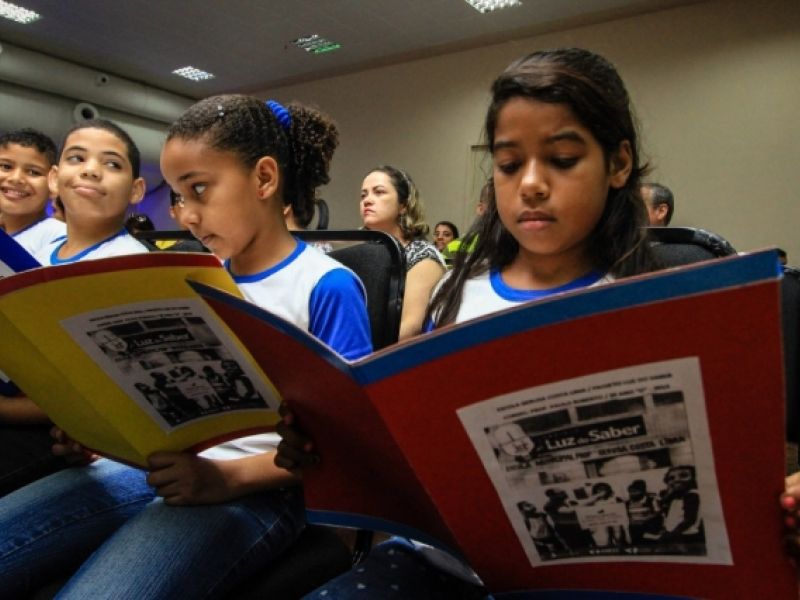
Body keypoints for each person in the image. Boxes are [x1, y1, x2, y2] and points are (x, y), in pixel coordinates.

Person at [278, 47, 659, 598]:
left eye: (562, 159)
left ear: (619, 164)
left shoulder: (650, 305)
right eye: (508, 165)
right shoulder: (458, 296)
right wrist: (328, 444)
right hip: (441, 565)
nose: (530, 184)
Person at [0, 95, 373, 598]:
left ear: (264, 179)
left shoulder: (325, 285)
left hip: (262, 486)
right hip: (161, 464)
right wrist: (101, 435)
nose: (188, 216)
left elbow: (348, 445)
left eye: (199, 190)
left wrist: (226, 479)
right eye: (178, 196)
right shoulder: (190, 278)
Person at [0, 120, 150, 497]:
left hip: (52, 428)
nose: (90, 170)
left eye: (111, 164)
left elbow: (101, 390)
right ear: (55, 179)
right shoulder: (34, 253)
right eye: (77, 158)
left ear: (136, 190)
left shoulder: (129, 264)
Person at [360, 165, 446, 339]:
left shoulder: (423, 256)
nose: (367, 200)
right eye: (363, 195)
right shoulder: (361, 251)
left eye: (379, 192)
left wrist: (360, 352)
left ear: (403, 205)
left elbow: (410, 328)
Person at [0, 128, 65, 256]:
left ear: (54, 182)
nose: (16, 178)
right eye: (6, 167)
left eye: (33, 172)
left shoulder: (58, 238)